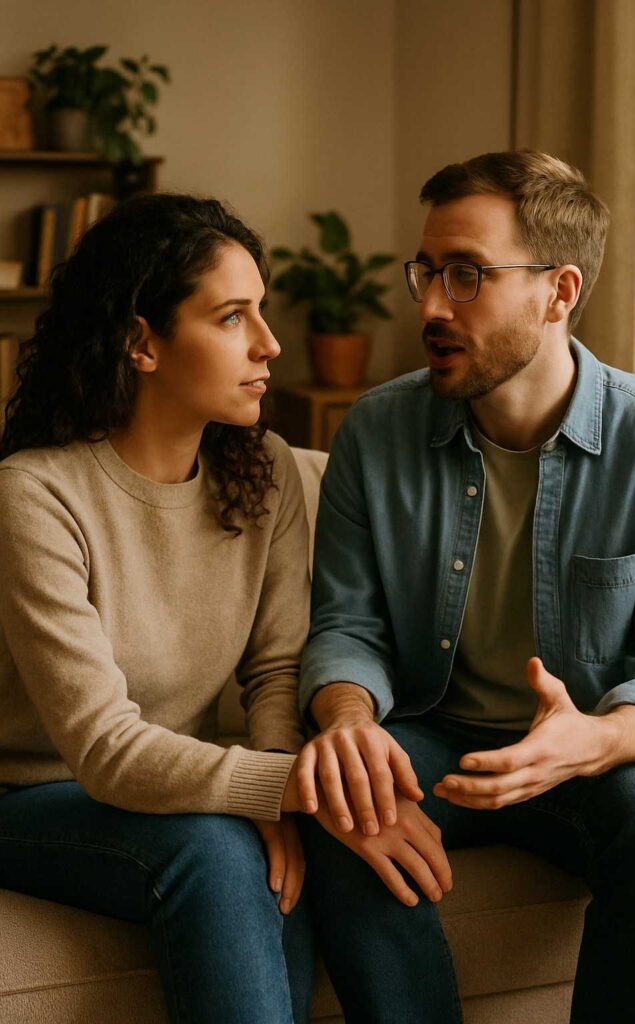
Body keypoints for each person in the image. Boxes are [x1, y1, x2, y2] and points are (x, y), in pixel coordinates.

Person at [295, 151, 635, 1024]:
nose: (431, 306)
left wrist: (599, 737)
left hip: (589, 757)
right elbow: (347, 625)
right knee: (340, 801)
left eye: (467, 275)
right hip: (437, 736)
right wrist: (349, 724)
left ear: (558, 291)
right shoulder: (374, 430)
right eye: (426, 271)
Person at [0, 192, 319, 1024]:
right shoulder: (34, 495)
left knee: (265, 854)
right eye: (232, 317)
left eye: (261, 311)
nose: (268, 343)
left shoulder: (267, 472)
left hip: (169, 783)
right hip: (25, 794)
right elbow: (103, 749)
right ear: (141, 342)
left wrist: (271, 784)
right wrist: (277, 790)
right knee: (216, 849)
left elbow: (277, 669)